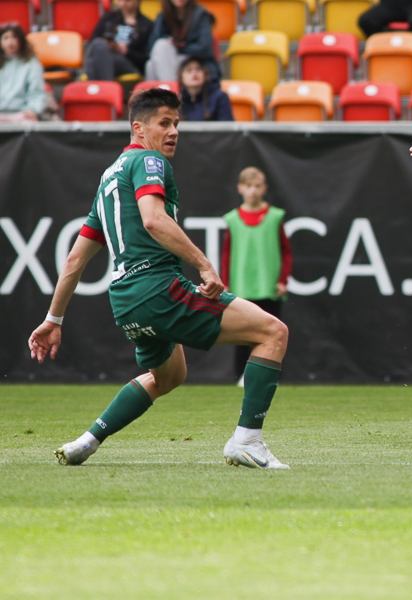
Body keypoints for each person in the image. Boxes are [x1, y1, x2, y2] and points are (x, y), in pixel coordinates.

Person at [28, 88, 290, 470]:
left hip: (125, 302)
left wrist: (53, 319)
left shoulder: (109, 178)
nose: (173, 131)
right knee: (273, 332)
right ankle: (247, 440)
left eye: (177, 123)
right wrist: (204, 265)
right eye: (164, 123)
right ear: (139, 128)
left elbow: (74, 259)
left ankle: (87, 441)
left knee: (169, 376)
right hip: (157, 289)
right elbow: (153, 219)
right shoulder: (149, 160)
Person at [222, 167, 291, 384]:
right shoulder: (232, 219)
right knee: (242, 335)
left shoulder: (275, 216)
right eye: (249, 186)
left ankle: (271, 376)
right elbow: (227, 254)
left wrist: (282, 280)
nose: (253, 191)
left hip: (268, 288)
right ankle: (241, 376)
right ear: (240, 188)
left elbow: (286, 252)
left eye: (257, 186)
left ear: (264, 189)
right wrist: (225, 283)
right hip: (241, 288)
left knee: (274, 333)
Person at [145, 0, 218, 82]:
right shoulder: (163, 16)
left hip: (194, 59)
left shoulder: (201, 15)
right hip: (171, 58)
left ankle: (172, 88)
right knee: (151, 64)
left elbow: (204, 47)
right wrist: (170, 44)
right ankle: (169, 87)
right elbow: (152, 46)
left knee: (162, 47)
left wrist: (180, 47)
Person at [83, 0, 154, 81]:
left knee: (94, 61)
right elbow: (93, 42)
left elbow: (146, 58)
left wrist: (127, 51)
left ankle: (101, 87)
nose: (122, 4)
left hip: (129, 62)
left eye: (127, 1)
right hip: (105, 55)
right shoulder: (108, 18)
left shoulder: (146, 25)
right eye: (120, 0)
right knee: (99, 47)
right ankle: (108, 86)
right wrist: (107, 45)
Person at [0, 23, 49, 122]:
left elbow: (37, 93)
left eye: (14, 37)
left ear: (21, 40)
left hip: (22, 114)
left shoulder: (31, 64)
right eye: (6, 38)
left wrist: (32, 110)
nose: (10, 42)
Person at [178, 56, 233, 121]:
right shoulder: (177, 100)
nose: (194, 73)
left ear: (205, 74)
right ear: (181, 76)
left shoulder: (220, 97)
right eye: (189, 70)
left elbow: (226, 125)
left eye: (198, 69)